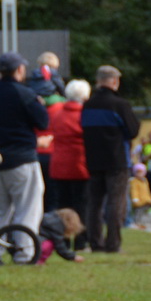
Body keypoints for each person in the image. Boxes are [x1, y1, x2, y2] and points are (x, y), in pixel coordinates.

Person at [0, 51, 49, 261]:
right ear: (19, 69)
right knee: (27, 209)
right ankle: (24, 254)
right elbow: (43, 122)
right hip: (23, 159)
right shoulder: (24, 93)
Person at [81, 65, 137, 253]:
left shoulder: (87, 105)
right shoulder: (120, 105)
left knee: (94, 203)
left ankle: (95, 242)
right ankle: (113, 244)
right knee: (115, 201)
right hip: (116, 159)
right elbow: (133, 130)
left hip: (93, 158)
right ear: (114, 81)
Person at [48, 79, 91, 218]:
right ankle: (80, 238)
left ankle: (63, 237)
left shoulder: (57, 114)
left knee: (62, 204)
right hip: (80, 164)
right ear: (85, 96)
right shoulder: (84, 115)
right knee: (82, 205)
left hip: (59, 164)